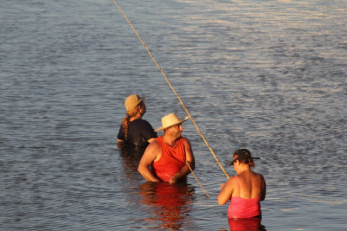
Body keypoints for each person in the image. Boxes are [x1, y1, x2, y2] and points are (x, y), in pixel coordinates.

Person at [138, 113, 195, 184]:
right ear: (168, 129)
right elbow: (142, 168)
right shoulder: (155, 146)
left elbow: (191, 163)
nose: (181, 128)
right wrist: (157, 184)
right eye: (178, 126)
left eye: (181, 125)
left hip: (182, 186)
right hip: (162, 188)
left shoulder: (184, 142)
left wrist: (176, 176)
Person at [218, 149, 266, 219]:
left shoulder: (234, 180)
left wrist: (223, 188)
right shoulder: (260, 178)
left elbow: (220, 201)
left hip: (237, 222)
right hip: (256, 218)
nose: (234, 167)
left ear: (237, 162)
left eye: (233, 164)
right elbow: (262, 197)